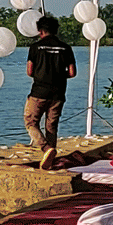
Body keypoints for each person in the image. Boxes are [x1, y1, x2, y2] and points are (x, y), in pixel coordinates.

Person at [25, 13, 76, 169]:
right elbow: (72, 72)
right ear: (56, 30)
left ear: (40, 31)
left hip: (39, 92)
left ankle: (46, 149)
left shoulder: (35, 48)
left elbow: (29, 70)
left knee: (30, 121)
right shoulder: (66, 48)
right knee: (51, 127)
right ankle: (50, 160)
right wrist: (59, 76)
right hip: (58, 94)